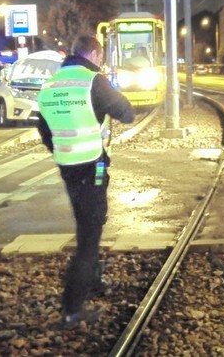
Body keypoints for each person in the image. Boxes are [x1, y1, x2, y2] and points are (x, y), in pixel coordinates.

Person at [36, 35, 135, 328]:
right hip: (91, 166)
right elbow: (127, 113)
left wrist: (63, 151)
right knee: (88, 239)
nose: (100, 62)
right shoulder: (93, 80)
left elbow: (44, 130)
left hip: (68, 167)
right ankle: (71, 309)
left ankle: (92, 279)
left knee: (89, 221)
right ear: (92, 53)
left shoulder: (50, 85)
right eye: (100, 57)